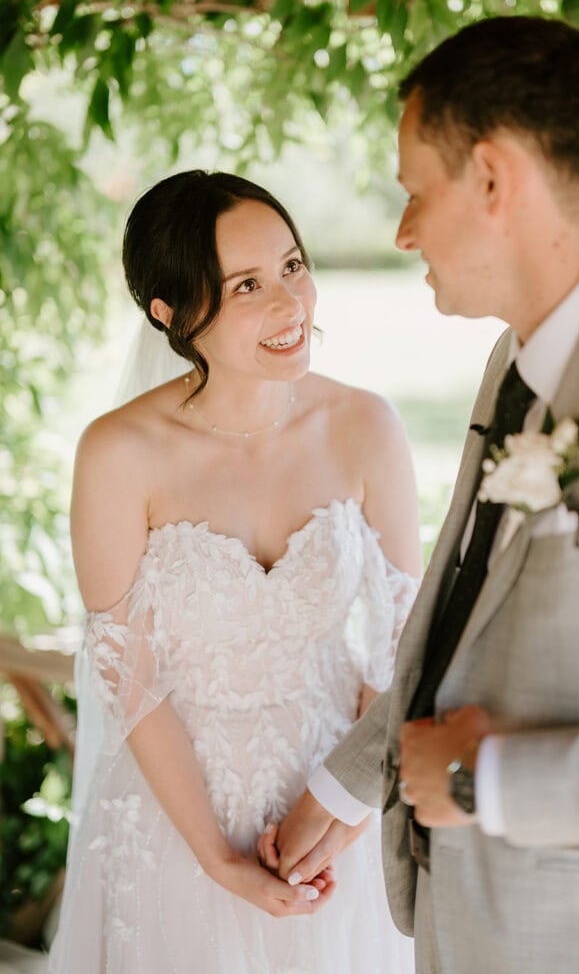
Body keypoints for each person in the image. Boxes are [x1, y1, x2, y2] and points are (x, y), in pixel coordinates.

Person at [273, 15, 579, 974]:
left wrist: (485, 777)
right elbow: (463, 614)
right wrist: (345, 787)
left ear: (494, 179)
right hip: (465, 925)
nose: (404, 228)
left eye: (417, 190)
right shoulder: (512, 359)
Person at [48, 171, 421, 973]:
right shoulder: (118, 454)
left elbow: (405, 649)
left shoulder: (364, 425)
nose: (290, 306)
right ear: (171, 315)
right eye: (247, 285)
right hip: (174, 820)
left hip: (333, 807)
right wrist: (217, 857)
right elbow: (130, 674)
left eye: (292, 266)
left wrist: (346, 814)